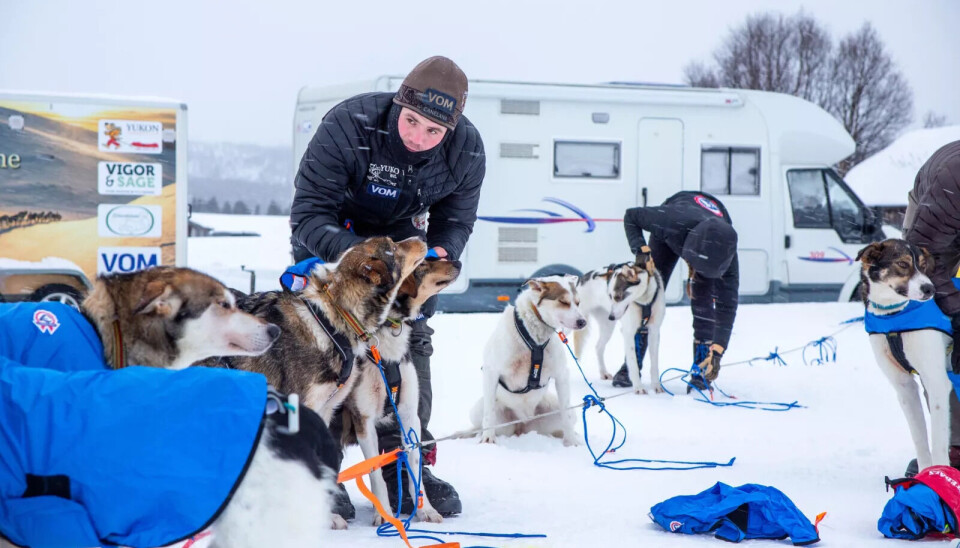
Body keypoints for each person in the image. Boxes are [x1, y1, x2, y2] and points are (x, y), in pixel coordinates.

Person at [289, 56, 485, 517]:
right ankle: (321, 466)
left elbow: (455, 222)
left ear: (450, 130)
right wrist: (365, 258)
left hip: (404, 249)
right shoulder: (348, 124)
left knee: (408, 341)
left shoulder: (467, 151)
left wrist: (439, 253)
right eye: (411, 121)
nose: (417, 137)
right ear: (399, 102)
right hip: (334, 243)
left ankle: (401, 464)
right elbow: (308, 214)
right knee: (328, 353)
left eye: (433, 131)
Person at [617, 191, 739, 391]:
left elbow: (727, 306)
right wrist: (641, 249)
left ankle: (701, 371)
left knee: (704, 304)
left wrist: (718, 351)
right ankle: (631, 366)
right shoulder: (670, 221)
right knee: (648, 292)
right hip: (679, 224)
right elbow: (631, 216)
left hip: (714, 232)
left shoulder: (727, 256)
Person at [903, 140, 960, 475]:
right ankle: (951, 444)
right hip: (933, 234)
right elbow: (922, 260)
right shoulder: (951, 182)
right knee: (933, 326)